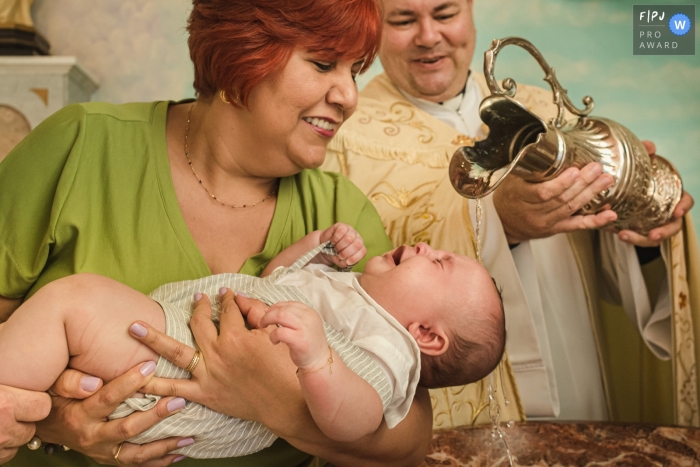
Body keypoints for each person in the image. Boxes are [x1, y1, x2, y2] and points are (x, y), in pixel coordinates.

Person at [0, 0, 437, 466]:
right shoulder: (81, 146)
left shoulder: (339, 219)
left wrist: (267, 399)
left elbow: (407, 438)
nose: (349, 96)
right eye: (324, 63)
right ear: (241, 54)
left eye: (355, 71)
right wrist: (53, 422)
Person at [321, 0, 700, 428]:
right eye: (404, 20)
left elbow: (606, 249)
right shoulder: (343, 137)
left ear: (470, 11)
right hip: (455, 406)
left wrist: (643, 229)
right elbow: (341, 279)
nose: (428, 37)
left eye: (445, 15)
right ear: (374, 27)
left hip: (577, 367)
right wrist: (498, 222)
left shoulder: (547, 112)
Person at [0, 223, 505, 458]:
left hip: (189, 380)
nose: (424, 245)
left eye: (439, 262)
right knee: (70, 321)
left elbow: (359, 420)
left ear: (425, 335)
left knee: (75, 303)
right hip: (179, 348)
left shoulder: (384, 346)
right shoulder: (348, 291)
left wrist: (316, 360)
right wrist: (315, 248)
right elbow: (279, 279)